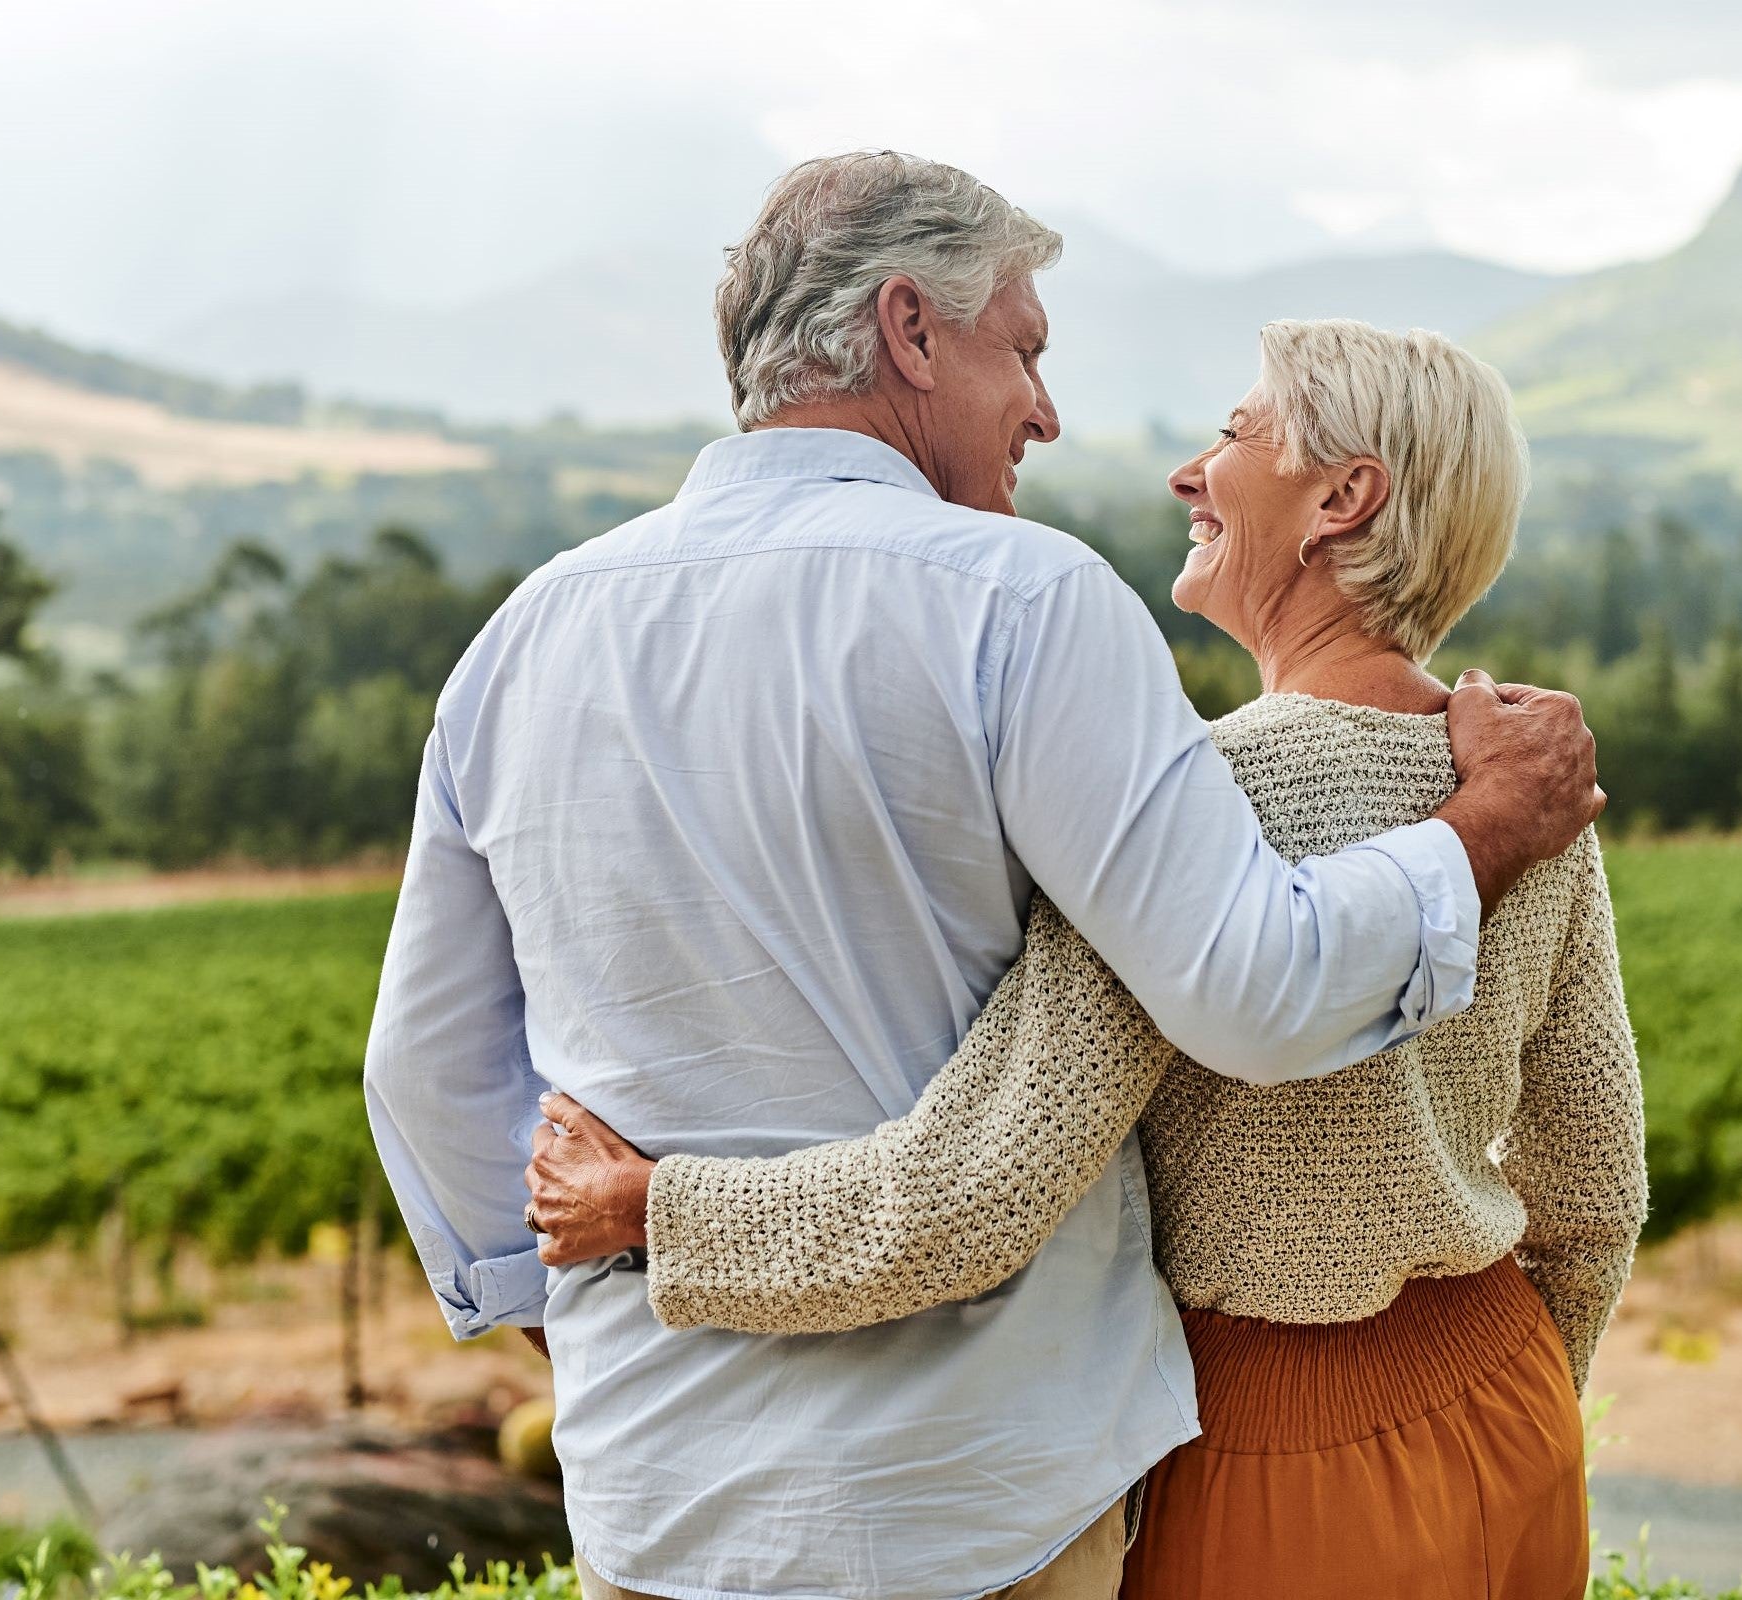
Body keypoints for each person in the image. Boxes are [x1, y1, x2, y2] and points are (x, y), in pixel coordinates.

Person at [363, 152, 1604, 1600]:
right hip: (989, 1501)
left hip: (663, 1494)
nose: (1050, 412)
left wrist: (593, 1311)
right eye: (1024, 349)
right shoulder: (1026, 603)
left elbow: (425, 1070)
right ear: (909, 328)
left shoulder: (521, 638)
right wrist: (1483, 835)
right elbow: (1261, 996)